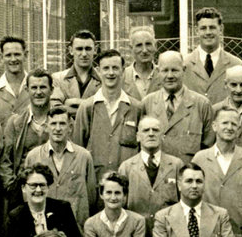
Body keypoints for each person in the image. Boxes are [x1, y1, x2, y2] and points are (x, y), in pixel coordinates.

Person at [152, 161, 236, 237]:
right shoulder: (164, 216)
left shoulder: (220, 214)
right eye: (189, 181)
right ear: (179, 185)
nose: (195, 186)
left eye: (199, 181)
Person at [0, 69, 57, 218]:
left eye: (43, 87)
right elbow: (5, 159)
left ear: (51, 90)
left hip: (54, 188)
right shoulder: (15, 123)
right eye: (34, 88)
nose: (38, 92)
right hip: (23, 191)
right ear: (27, 90)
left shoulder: (60, 122)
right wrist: (13, 187)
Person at [194, 104, 242, 229]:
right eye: (225, 123)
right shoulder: (200, 159)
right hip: (207, 231)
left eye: (233, 124)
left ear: (239, 129)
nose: (229, 127)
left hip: (240, 234)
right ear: (214, 126)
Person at [78, 48, 144, 181]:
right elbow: (78, 149)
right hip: (96, 182)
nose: (111, 73)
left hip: (129, 181)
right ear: (99, 71)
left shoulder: (136, 108)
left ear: (123, 71)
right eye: (106, 68)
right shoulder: (87, 108)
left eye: (115, 68)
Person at [23, 103, 96, 220]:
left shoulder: (84, 157)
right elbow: (27, 196)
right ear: (46, 127)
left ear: (70, 128)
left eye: (62, 124)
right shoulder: (33, 157)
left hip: (75, 227)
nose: (57, 128)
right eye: (53, 124)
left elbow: (91, 197)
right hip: (44, 228)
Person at [142, 51, 211, 164]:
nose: (170, 76)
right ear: (158, 72)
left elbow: (209, 150)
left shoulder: (201, 105)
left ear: (184, 70)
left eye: (174, 70)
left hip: (188, 176)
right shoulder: (147, 103)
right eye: (165, 70)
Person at [116, 115, 182, 217]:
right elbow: (120, 206)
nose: (151, 134)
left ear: (163, 136)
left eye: (155, 130)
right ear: (138, 137)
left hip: (167, 228)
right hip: (137, 229)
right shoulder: (126, 167)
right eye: (146, 130)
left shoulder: (176, 165)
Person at [182, 7, 242, 97]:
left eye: (212, 27)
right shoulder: (184, 64)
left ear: (221, 29)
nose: (208, 32)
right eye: (203, 28)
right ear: (196, 31)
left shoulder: (236, 64)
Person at [0, 35, 32, 125]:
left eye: (17, 54)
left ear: (25, 55)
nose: (13, 59)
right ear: (1, 57)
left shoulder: (37, 89)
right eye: (8, 55)